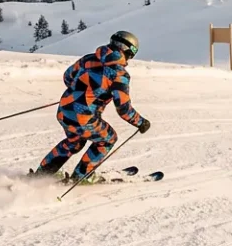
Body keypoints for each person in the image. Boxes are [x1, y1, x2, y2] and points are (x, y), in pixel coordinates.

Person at [30, 31, 150, 183]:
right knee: (108, 139)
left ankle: (42, 174)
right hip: (83, 118)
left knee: (75, 141)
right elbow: (123, 109)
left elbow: (68, 76)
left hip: (64, 110)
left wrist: (78, 93)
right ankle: (82, 176)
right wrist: (141, 122)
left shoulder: (88, 59)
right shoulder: (119, 74)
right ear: (128, 52)